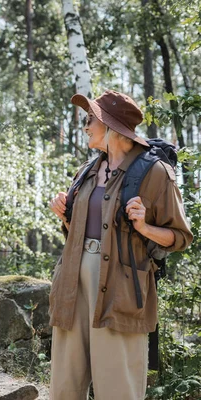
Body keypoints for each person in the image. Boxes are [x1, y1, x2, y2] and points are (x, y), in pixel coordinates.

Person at [48, 90, 193, 399]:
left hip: (121, 293)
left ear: (110, 125)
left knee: (118, 390)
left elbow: (180, 237)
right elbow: (79, 231)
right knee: (64, 388)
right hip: (72, 289)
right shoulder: (87, 172)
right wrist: (64, 213)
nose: (85, 126)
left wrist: (145, 225)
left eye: (90, 119)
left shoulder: (155, 173)